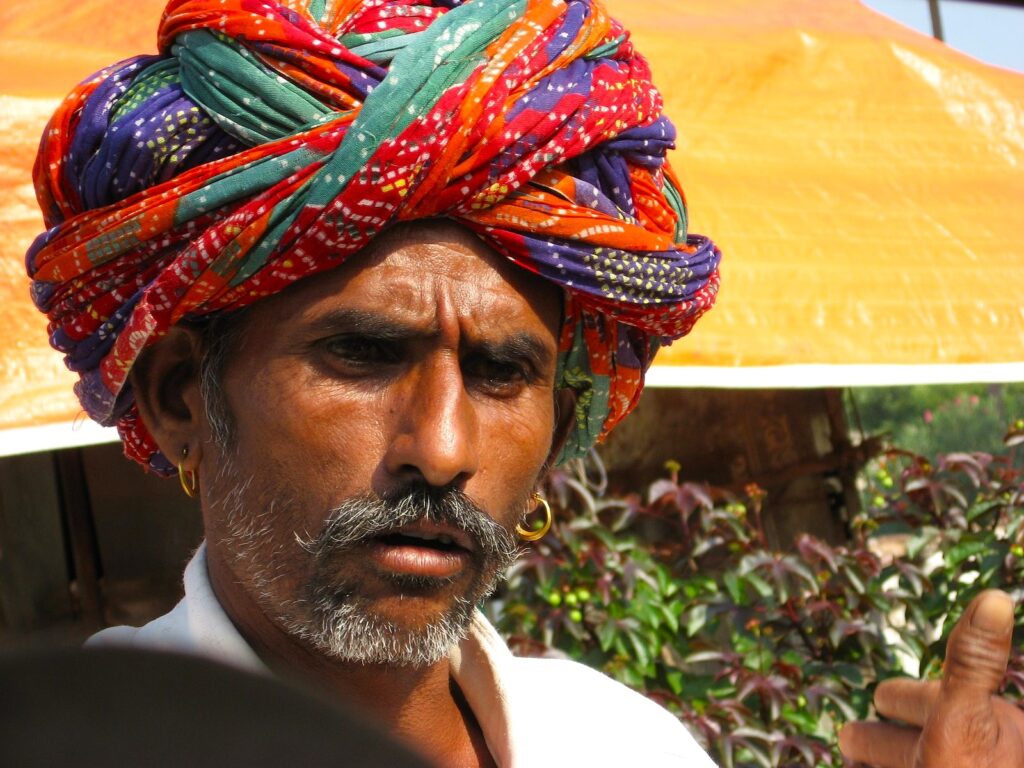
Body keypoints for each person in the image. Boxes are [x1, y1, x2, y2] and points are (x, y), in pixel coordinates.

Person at [23, 0, 1021, 765]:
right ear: (179, 397)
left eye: (505, 371)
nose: (443, 449)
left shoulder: (617, 744)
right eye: (360, 355)